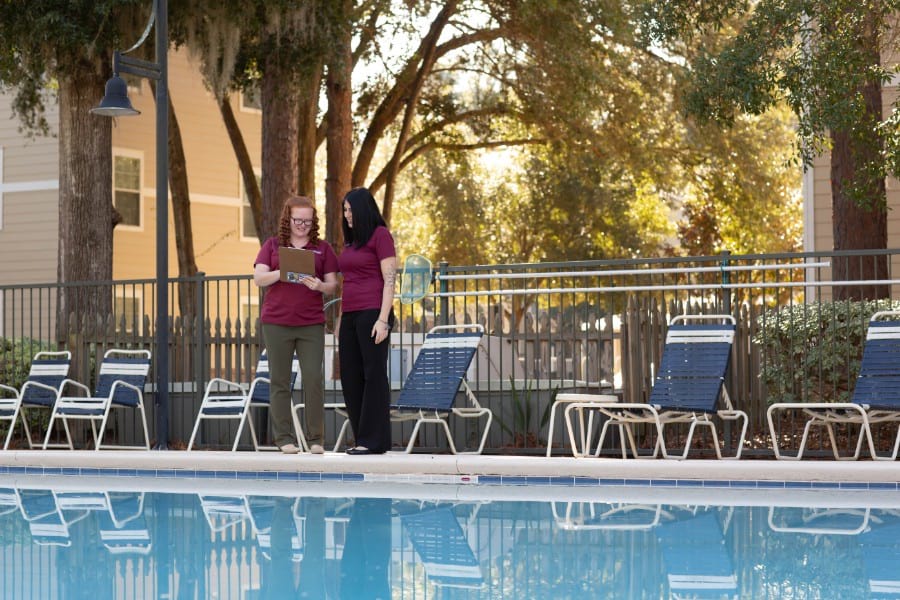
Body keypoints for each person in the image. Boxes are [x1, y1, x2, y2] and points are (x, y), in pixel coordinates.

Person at [254, 195, 339, 454]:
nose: (302, 225)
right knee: (279, 380)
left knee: (313, 378)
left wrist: (320, 286)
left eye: (307, 220)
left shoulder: (323, 249)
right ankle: (284, 439)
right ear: (287, 219)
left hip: (311, 323)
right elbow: (258, 278)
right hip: (276, 322)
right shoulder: (272, 246)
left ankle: (315, 439)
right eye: (297, 220)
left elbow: (333, 284)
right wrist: (283, 271)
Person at [337, 187, 397, 455]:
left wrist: (383, 319)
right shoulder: (351, 243)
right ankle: (365, 438)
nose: (347, 215)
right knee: (350, 378)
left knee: (373, 376)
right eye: (345, 210)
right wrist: (341, 321)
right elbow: (347, 283)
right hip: (349, 315)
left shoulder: (381, 236)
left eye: (350, 210)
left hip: (373, 313)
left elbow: (390, 280)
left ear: (362, 209)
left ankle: (372, 441)